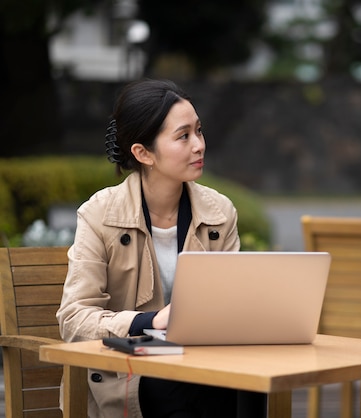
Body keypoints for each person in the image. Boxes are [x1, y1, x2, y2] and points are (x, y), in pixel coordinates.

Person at [56, 79, 264, 417]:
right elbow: (74, 319)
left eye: (199, 131)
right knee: (181, 385)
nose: (199, 145)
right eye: (183, 136)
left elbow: (231, 303)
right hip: (125, 372)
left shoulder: (219, 211)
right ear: (143, 153)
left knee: (249, 382)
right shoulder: (99, 215)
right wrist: (152, 321)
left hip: (205, 363)